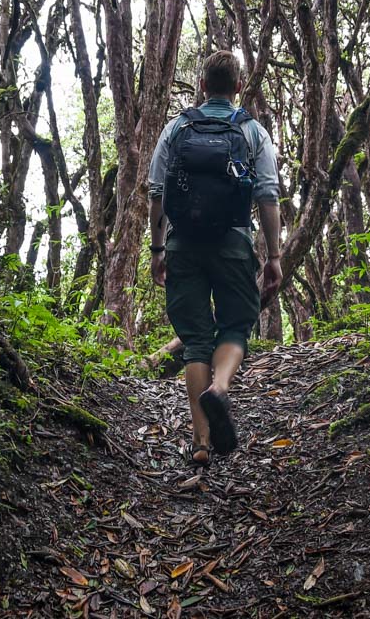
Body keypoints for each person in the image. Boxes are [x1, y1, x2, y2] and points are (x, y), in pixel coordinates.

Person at [148, 50, 282, 467]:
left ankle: (202, 442)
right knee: (236, 326)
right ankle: (221, 387)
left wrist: (157, 250)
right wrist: (274, 256)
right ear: (238, 86)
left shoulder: (177, 128)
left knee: (194, 342)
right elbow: (268, 195)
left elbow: (156, 192)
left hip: (183, 244)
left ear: (202, 85)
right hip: (234, 243)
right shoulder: (252, 131)